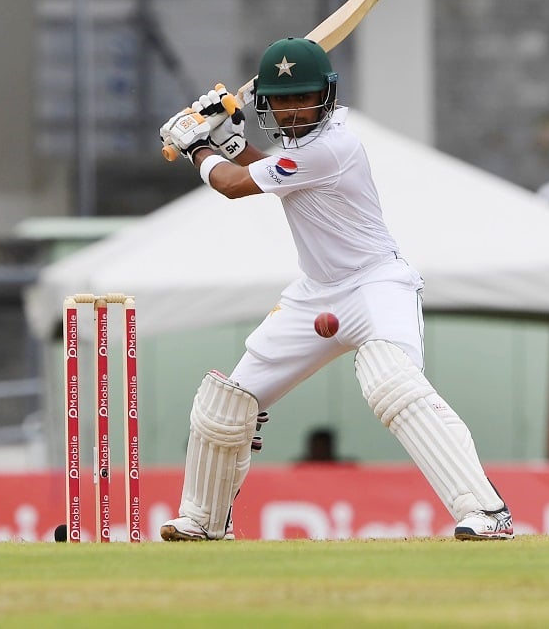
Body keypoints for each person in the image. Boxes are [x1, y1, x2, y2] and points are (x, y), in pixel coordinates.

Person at [157, 37, 513, 542]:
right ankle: (204, 521)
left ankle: (486, 510)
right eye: (280, 101)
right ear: (266, 105)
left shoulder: (334, 145)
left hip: (376, 284)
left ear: (326, 95)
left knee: (393, 384)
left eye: (302, 98)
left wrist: (198, 147)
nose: (292, 110)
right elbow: (264, 174)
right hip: (315, 294)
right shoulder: (300, 149)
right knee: (228, 403)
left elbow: (235, 185)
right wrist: (230, 143)